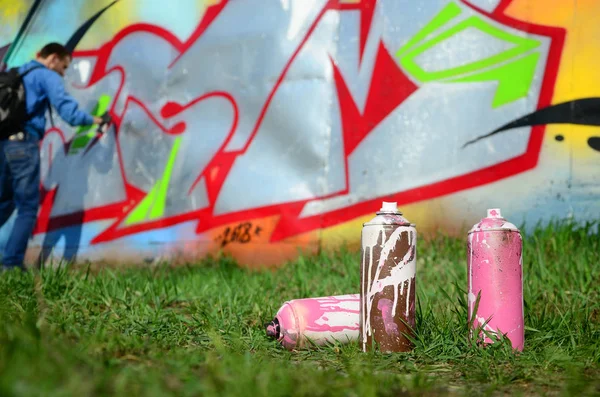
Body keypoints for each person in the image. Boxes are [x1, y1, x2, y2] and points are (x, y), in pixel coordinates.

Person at [0, 42, 108, 271]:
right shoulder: (46, 76)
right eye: (64, 66)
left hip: (3, 144)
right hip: (23, 145)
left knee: (5, 202)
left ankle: (10, 261)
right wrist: (96, 120)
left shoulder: (18, 72)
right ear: (54, 58)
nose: (64, 72)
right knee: (28, 207)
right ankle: (11, 265)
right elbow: (69, 113)